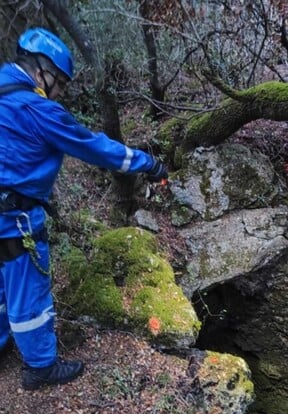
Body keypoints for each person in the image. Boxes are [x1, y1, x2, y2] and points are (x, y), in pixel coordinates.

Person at [0, 28, 168, 390]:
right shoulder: (37, 109)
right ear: (42, 70)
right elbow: (93, 146)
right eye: (60, 83)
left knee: (1, 284)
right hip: (15, 218)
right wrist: (147, 164)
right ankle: (40, 367)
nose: (60, 93)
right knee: (29, 289)